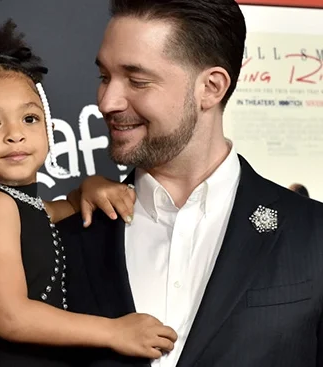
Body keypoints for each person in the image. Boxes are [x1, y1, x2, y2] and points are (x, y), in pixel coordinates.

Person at [59, 0, 323, 366]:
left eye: (137, 80)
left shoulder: (313, 233)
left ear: (211, 88)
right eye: (104, 77)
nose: (107, 101)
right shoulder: (67, 234)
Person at [0, 19, 178, 367]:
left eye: (29, 118)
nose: (15, 134)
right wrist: (115, 332)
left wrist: (88, 188)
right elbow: (12, 317)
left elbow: (55, 210)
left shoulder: (17, 204)